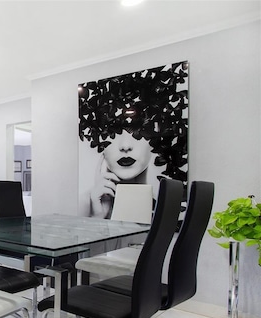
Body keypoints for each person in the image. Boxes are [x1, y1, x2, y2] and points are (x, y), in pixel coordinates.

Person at [78, 61, 189, 218]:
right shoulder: (84, 204)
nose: (125, 146)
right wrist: (98, 216)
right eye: (113, 131)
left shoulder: (169, 210)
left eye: (139, 130)